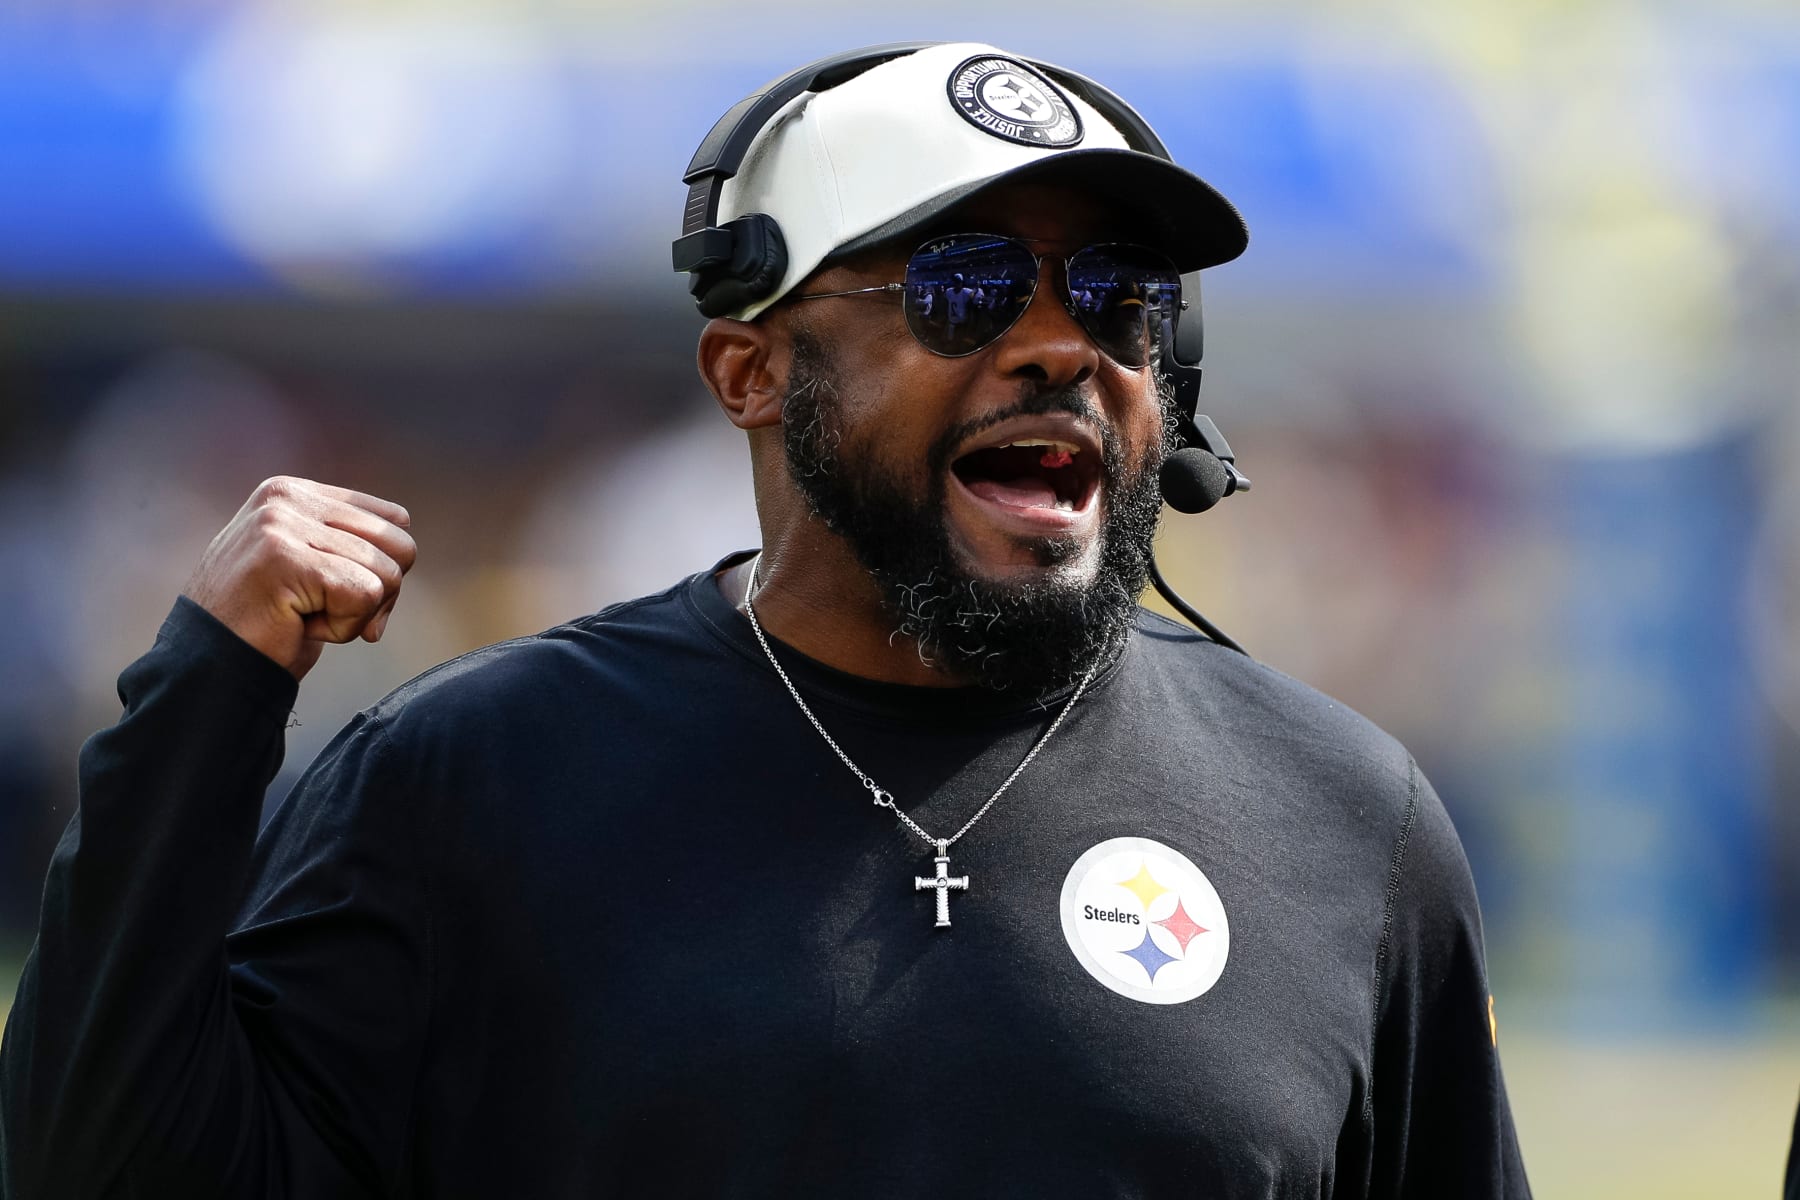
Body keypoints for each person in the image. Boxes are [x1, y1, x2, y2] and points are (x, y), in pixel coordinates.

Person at [0, 41, 1530, 1198]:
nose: (1063, 344)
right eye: (966, 284)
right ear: (752, 374)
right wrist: (203, 705)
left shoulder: (1340, 815)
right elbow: (108, 1167)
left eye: (1121, 298)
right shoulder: (470, 779)